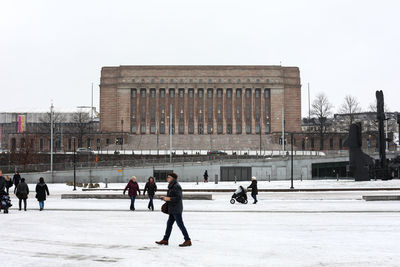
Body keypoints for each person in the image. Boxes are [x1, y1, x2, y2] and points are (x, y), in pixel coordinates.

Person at [156, 173, 192, 247]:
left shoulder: (176, 186)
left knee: (180, 224)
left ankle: (187, 240)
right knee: (169, 224)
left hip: (176, 209)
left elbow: (178, 198)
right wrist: (165, 198)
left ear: (172, 178)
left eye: (168, 177)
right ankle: (165, 240)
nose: (167, 178)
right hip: (172, 209)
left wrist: (168, 198)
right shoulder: (172, 186)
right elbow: (172, 196)